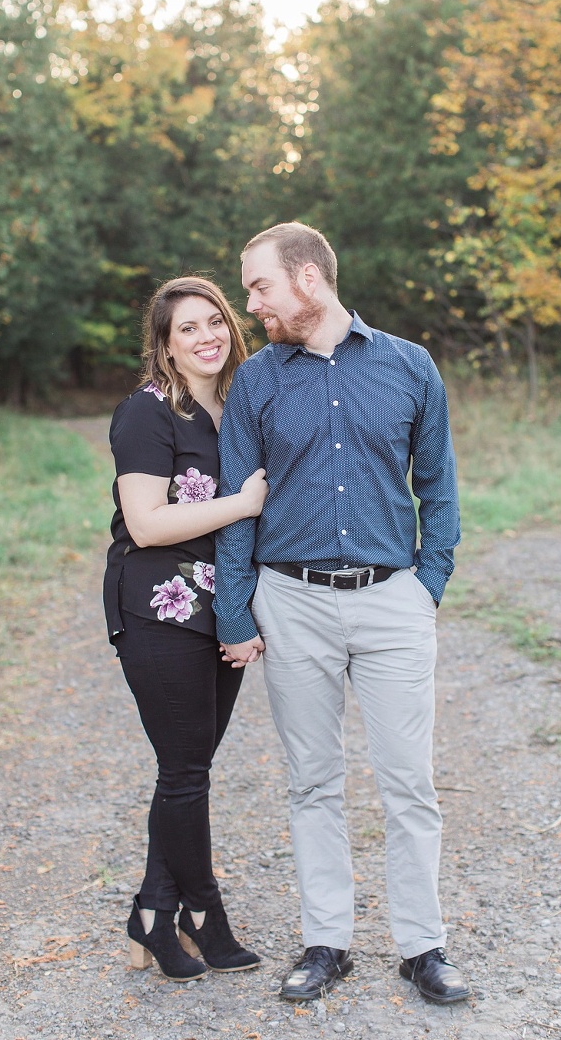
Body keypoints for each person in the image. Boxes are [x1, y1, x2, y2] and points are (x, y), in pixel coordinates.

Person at [214, 223, 470, 1005]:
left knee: (408, 783)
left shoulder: (408, 366)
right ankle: (326, 942)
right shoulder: (256, 382)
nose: (249, 305)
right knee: (313, 782)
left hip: (393, 600)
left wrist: (426, 585)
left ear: (308, 280)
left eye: (259, 286)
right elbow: (236, 510)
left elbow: (440, 488)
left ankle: (423, 948)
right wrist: (236, 612)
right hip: (290, 604)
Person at [103, 275, 267, 982]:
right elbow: (145, 524)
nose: (207, 337)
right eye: (188, 330)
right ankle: (203, 914)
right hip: (159, 607)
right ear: (166, 347)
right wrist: (240, 503)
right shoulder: (147, 414)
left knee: (188, 770)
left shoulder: (236, 407)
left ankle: (151, 912)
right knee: (184, 771)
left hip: (221, 609)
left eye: (214, 323)